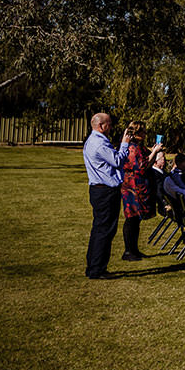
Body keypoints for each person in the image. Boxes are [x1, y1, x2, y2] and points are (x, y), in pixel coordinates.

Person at [83, 113, 130, 279]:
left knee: (99, 229)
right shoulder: (98, 143)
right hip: (105, 191)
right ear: (101, 126)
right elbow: (117, 161)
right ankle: (97, 269)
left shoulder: (95, 140)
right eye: (109, 124)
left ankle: (93, 266)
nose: (111, 127)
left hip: (100, 189)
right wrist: (124, 145)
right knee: (105, 230)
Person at [120, 120, 162, 261]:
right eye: (143, 131)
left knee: (136, 219)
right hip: (133, 187)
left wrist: (154, 152)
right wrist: (155, 151)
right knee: (131, 218)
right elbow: (142, 166)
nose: (145, 134)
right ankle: (128, 251)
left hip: (139, 185)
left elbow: (148, 162)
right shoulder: (133, 148)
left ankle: (134, 249)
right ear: (137, 133)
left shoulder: (138, 147)